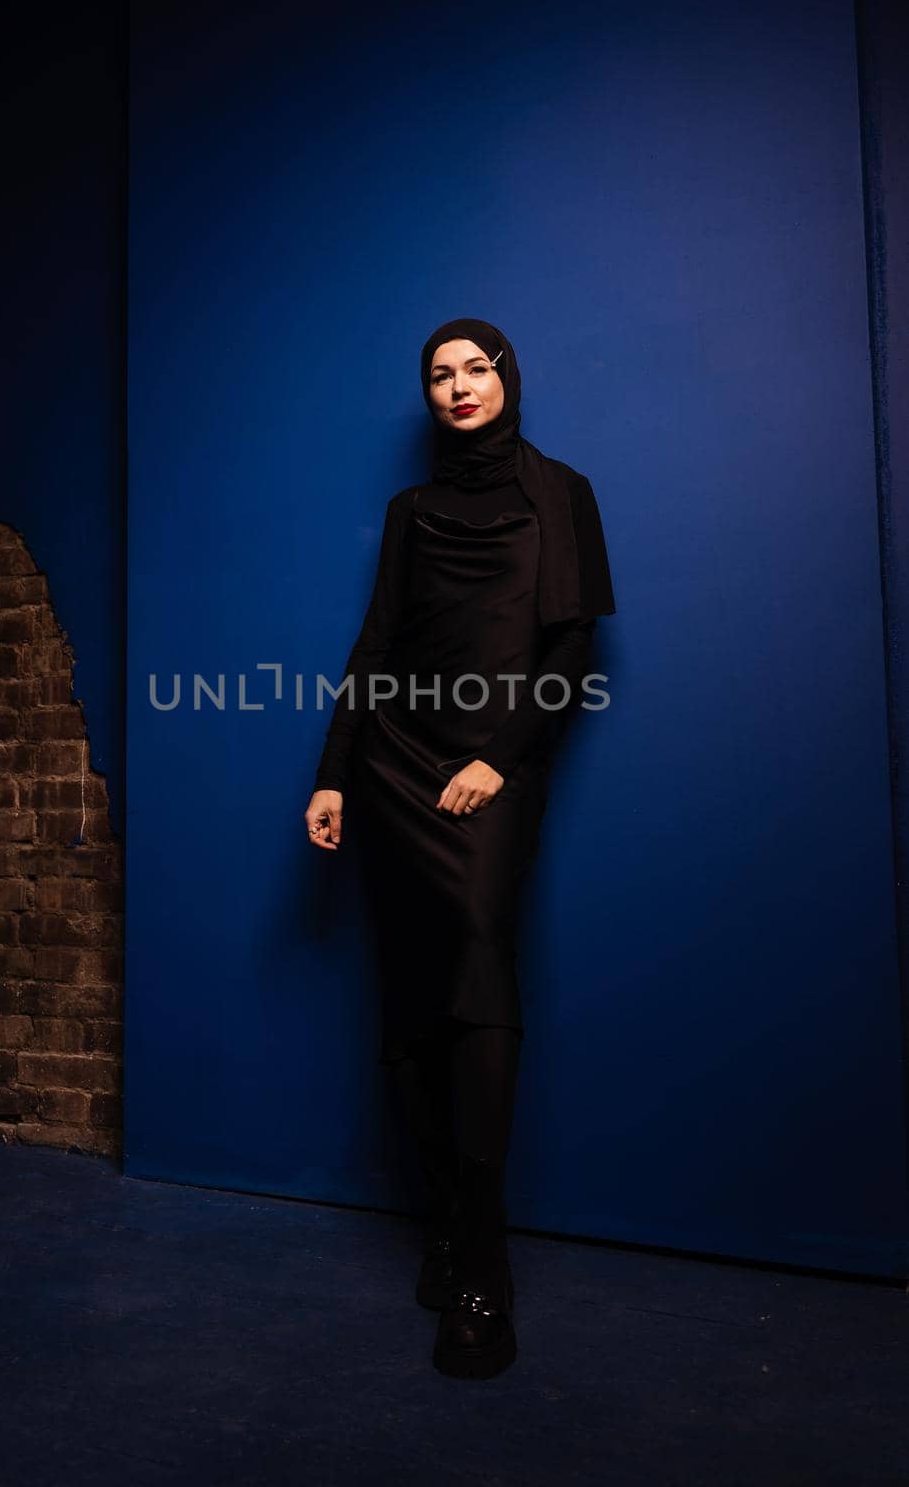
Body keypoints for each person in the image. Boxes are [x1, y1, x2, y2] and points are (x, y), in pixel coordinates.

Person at [304, 316, 615, 1380]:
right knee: (413, 998)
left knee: (477, 974)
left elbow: (573, 646)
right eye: (438, 374)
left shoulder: (559, 492)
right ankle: (443, 1223)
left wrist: (500, 756)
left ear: (506, 378)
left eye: (474, 368)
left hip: (490, 766)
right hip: (393, 759)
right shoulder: (410, 510)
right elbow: (375, 643)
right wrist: (334, 769)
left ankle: (484, 1266)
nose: (456, 385)